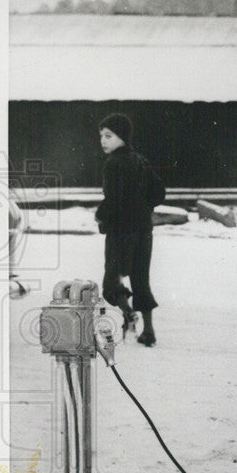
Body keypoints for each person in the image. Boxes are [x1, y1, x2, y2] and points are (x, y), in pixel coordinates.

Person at [95, 113, 160, 346]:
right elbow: (159, 192)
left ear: (121, 137)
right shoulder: (141, 160)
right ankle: (149, 331)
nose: (103, 140)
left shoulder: (112, 164)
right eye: (101, 136)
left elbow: (113, 199)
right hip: (143, 230)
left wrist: (101, 217)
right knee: (141, 279)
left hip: (121, 231)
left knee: (112, 281)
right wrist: (143, 208)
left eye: (108, 136)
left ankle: (128, 314)